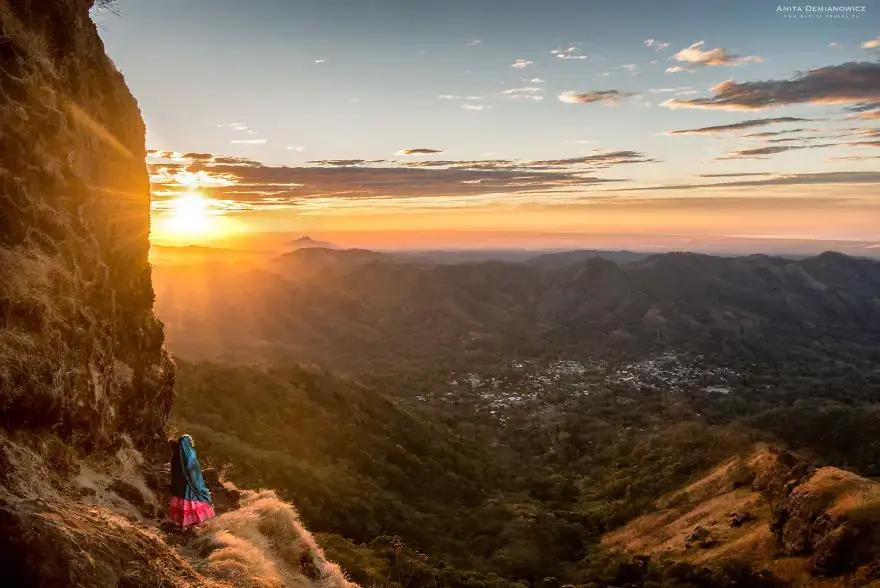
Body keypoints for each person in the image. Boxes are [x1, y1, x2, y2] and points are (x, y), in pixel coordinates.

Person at [169, 434, 216, 528]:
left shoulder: (175, 456)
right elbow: (194, 472)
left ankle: (183, 524)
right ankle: (193, 524)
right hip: (189, 486)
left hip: (179, 487)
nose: (192, 442)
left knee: (182, 504)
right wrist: (200, 486)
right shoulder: (190, 455)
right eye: (190, 441)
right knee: (193, 503)